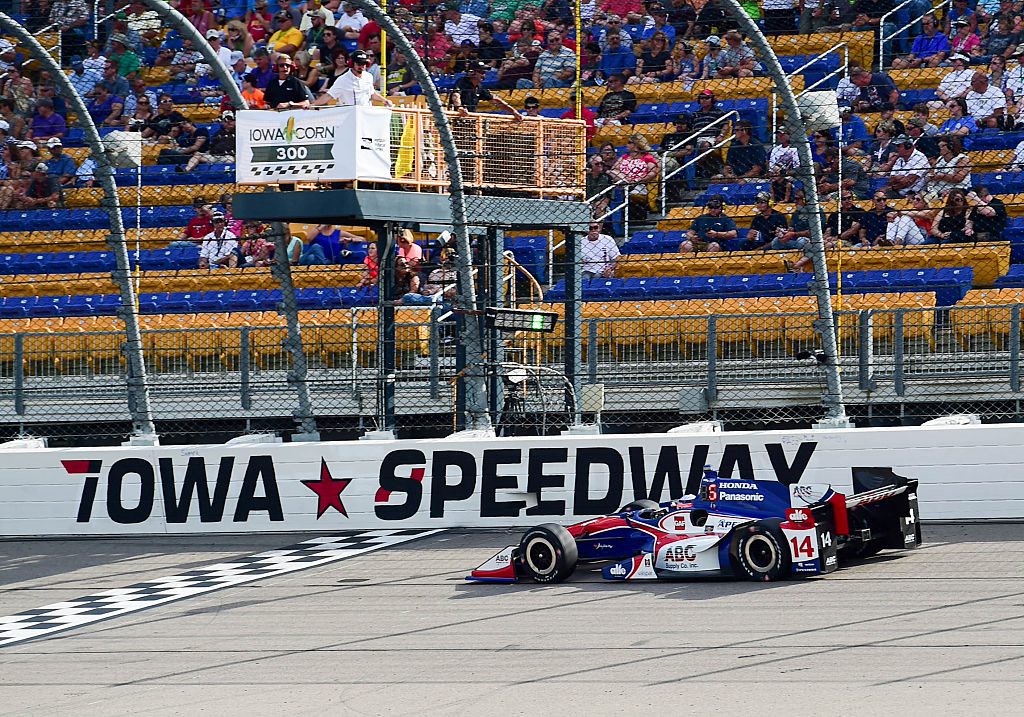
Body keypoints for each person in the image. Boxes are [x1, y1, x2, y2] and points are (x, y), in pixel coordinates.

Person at [313, 50, 393, 106]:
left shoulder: (369, 77)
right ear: (352, 64)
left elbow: (371, 93)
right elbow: (329, 96)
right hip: (349, 115)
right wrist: (313, 105)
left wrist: (384, 100)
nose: (361, 66)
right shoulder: (342, 80)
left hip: (365, 113)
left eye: (363, 64)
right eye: (358, 64)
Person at [607, 134, 659, 220]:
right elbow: (614, 169)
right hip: (622, 182)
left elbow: (652, 172)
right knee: (609, 172)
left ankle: (628, 183)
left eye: (629, 142)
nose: (626, 145)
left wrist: (638, 179)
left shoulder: (647, 157)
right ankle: (627, 182)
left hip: (638, 184)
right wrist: (626, 178)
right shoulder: (625, 157)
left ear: (636, 144)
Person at [445, 59, 518, 116]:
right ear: (471, 72)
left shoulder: (479, 87)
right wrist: (459, 108)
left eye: (484, 72)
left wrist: (514, 112)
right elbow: (456, 95)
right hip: (458, 118)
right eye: (481, 72)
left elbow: (496, 100)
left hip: (470, 119)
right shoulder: (462, 82)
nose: (483, 75)